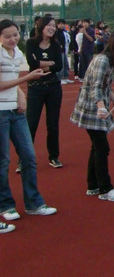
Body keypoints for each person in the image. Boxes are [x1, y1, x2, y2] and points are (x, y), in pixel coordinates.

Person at [0, 19, 58, 224]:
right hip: (1, 112)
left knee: (28, 156)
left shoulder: (17, 53)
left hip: (16, 112)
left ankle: (33, 203)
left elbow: (12, 80)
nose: (13, 39)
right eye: (7, 36)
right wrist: (26, 80)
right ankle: (5, 204)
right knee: (3, 161)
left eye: (15, 34)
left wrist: (20, 94)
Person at [70, 29, 114, 202]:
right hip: (91, 109)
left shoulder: (110, 61)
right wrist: (101, 107)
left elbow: (106, 85)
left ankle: (93, 185)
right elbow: (95, 86)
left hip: (96, 108)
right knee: (102, 147)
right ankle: (105, 188)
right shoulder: (102, 60)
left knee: (97, 147)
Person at [25, 15, 64, 168]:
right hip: (35, 88)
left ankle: (54, 156)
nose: (52, 28)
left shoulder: (56, 45)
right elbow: (32, 63)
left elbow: (59, 66)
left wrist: (41, 65)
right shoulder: (31, 43)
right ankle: (24, 159)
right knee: (31, 124)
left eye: (54, 26)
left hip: (53, 87)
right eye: (49, 25)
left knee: (53, 124)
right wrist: (49, 64)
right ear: (41, 26)